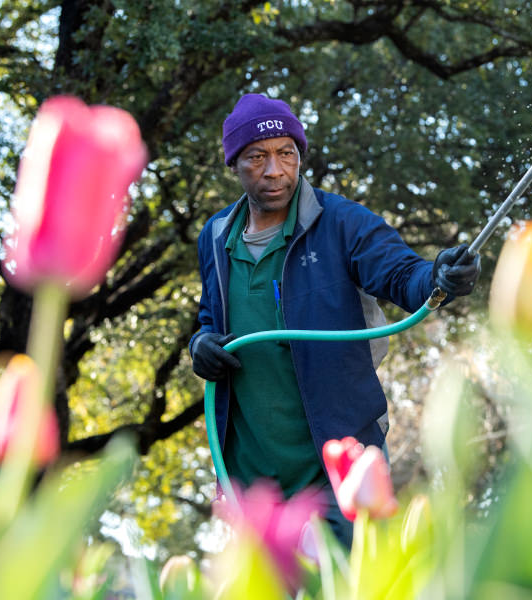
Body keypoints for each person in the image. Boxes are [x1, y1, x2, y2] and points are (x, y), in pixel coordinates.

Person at [190, 93, 480, 546]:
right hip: (251, 482)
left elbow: (404, 275)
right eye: (257, 157)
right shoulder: (215, 236)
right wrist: (201, 345)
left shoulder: (342, 222)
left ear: (299, 157)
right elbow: (211, 316)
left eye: (286, 154)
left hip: (340, 471)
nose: (274, 170)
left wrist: (438, 276)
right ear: (234, 164)